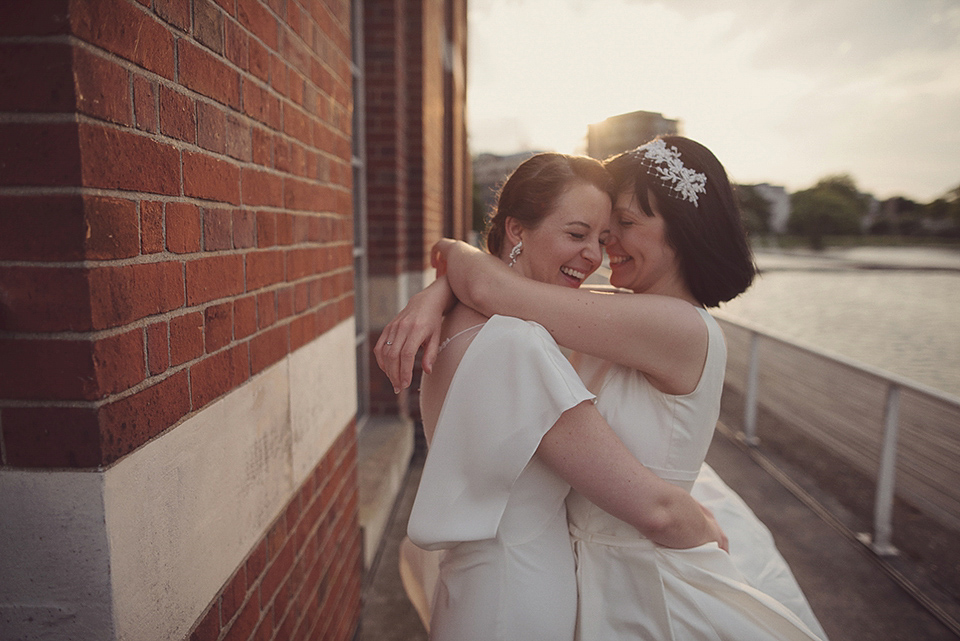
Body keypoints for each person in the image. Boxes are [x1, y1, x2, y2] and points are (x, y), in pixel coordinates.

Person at [380, 137, 829, 640]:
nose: (606, 246)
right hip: (577, 574)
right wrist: (438, 290)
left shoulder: (677, 325)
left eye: (624, 226)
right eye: (595, 230)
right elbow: (508, 286)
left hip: (640, 588)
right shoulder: (611, 312)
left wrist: (442, 283)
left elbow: (498, 287)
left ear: (681, 233)